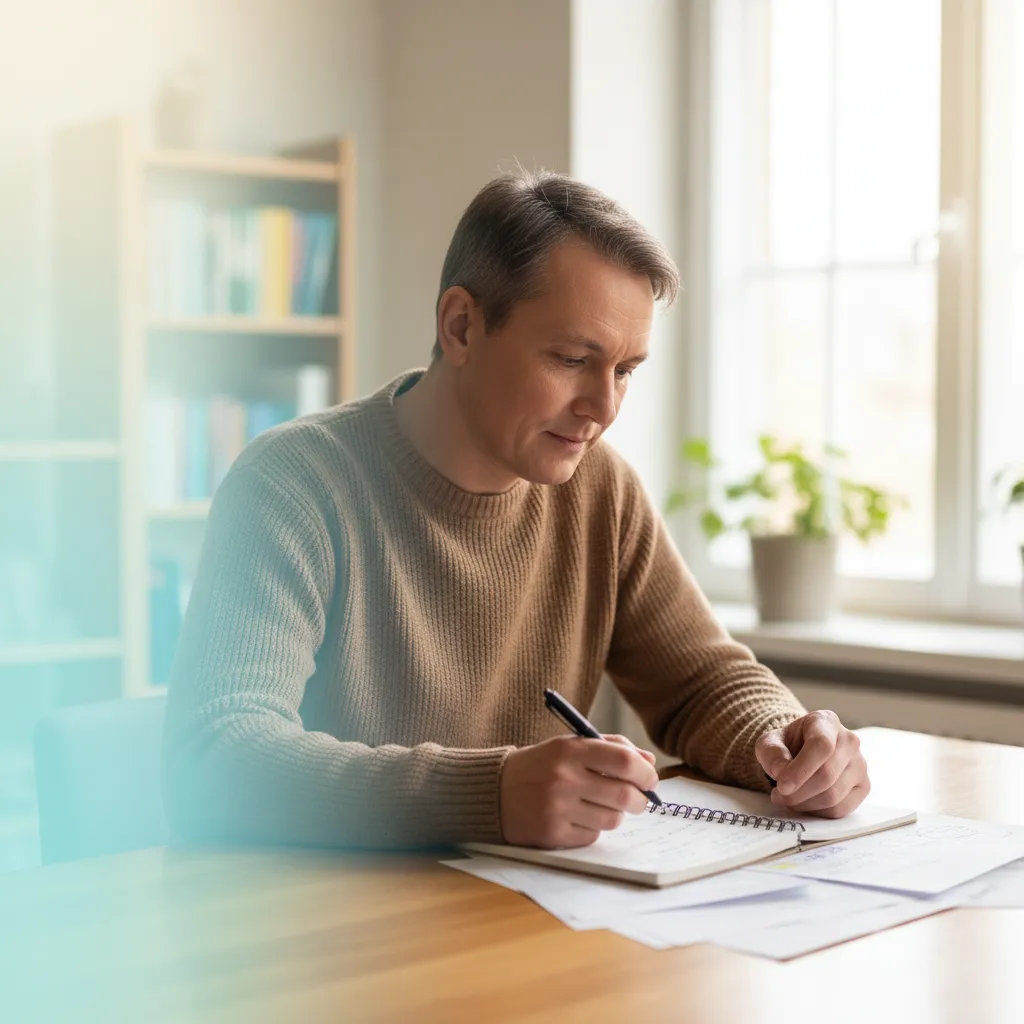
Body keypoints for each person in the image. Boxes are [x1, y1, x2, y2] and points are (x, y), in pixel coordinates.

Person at [162, 171, 870, 851]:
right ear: (461, 327)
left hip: (523, 920)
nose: (604, 408)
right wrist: (489, 793)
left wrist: (787, 742)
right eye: (571, 359)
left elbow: (701, 682)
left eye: (625, 370)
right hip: (325, 935)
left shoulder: (600, 490)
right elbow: (217, 757)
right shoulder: (294, 486)